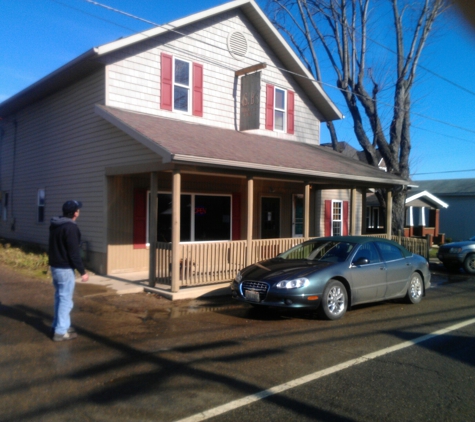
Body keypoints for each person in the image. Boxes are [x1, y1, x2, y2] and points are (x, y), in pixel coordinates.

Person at [48, 200, 89, 341]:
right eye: (78, 209)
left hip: (55, 266)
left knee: (59, 297)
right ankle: (60, 332)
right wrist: (82, 271)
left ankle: (59, 325)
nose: (79, 211)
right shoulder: (71, 228)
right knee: (65, 300)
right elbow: (74, 253)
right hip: (65, 269)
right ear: (75, 213)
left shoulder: (55, 224)